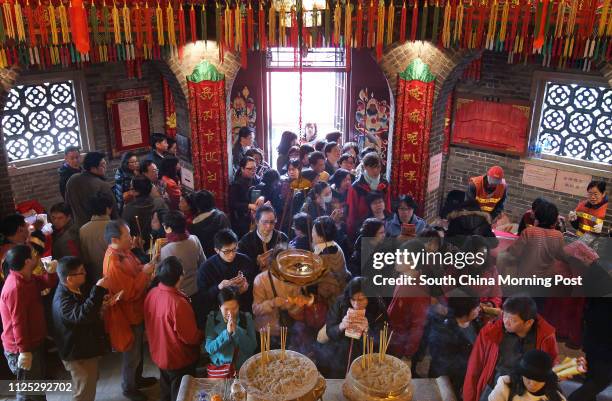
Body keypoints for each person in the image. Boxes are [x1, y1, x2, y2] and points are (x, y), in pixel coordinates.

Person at [463, 296, 559, 401]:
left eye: (512, 320)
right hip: (493, 386)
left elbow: (551, 365)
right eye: (504, 316)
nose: (505, 322)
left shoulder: (546, 336)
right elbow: (474, 367)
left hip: (526, 392)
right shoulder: (490, 332)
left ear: (529, 323)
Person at [102, 220, 156, 401]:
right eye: (127, 235)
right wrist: (145, 273)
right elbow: (129, 293)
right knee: (131, 354)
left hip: (137, 311)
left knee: (138, 349)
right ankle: (129, 387)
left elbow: (136, 269)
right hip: (128, 315)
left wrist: (144, 269)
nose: (131, 238)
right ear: (115, 239)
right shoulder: (113, 262)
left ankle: (137, 379)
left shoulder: (124, 252)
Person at [0, 245, 58, 401]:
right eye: (33, 254)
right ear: (27, 261)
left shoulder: (27, 277)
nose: (36, 256)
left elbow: (46, 283)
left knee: (36, 390)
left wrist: (50, 272)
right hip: (22, 347)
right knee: (28, 394)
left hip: (33, 342)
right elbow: (18, 322)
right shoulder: (15, 287)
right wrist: (24, 351)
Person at [144, 257, 203, 401]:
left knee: (166, 388)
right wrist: (204, 335)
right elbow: (190, 337)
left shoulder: (152, 293)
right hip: (179, 358)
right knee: (181, 393)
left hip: (159, 353)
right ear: (180, 276)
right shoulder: (177, 303)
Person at [52, 256, 108, 401]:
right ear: (69, 278)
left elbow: (84, 311)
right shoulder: (63, 301)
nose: (85, 274)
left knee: (89, 386)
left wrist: (100, 306)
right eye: (81, 272)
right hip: (78, 355)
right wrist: (98, 290)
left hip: (84, 349)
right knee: (83, 393)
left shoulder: (73, 289)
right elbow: (82, 315)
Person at [323, 277, 388, 378]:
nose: (356, 304)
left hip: (365, 361)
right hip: (340, 357)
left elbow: (382, 342)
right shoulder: (341, 303)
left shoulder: (378, 309)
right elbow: (330, 332)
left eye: (361, 299)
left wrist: (367, 330)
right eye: (353, 299)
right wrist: (341, 326)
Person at [196, 229, 258, 327]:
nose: (232, 254)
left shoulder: (245, 261)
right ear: (217, 250)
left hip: (244, 310)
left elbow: (254, 283)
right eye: (226, 251)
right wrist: (219, 287)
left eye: (234, 249)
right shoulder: (206, 268)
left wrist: (247, 287)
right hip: (219, 315)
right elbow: (203, 298)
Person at [428, 295, 483, 397]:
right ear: (465, 311)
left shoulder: (475, 322)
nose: (479, 309)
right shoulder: (444, 331)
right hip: (447, 380)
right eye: (476, 308)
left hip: (463, 378)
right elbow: (442, 364)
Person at [504, 202, 565, 289]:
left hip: (525, 280)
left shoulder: (530, 232)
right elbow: (561, 256)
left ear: (538, 217)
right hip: (546, 283)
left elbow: (513, 252)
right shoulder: (558, 235)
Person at [205, 286, 257, 375]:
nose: (230, 313)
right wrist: (226, 333)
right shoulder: (213, 318)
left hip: (243, 369)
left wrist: (236, 329)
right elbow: (209, 348)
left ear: (239, 306)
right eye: (226, 309)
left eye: (234, 308)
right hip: (221, 371)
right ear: (219, 307)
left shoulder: (246, 318)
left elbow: (252, 347)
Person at [65, 151, 118, 228]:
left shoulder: (72, 179)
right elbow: (113, 211)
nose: (105, 167)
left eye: (105, 163)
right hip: (100, 228)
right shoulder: (102, 185)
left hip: (78, 226)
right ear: (93, 168)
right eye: (102, 165)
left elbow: (67, 203)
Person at [159, 211, 205, 298]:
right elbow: (203, 263)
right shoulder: (194, 239)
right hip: (196, 287)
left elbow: (163, 276)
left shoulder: (165, 250)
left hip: (178, 292)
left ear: (169, 229)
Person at [488, 350, 565, 401]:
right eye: (528, 377)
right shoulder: (506, 386)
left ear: (547, 380)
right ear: (521, 375)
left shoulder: (556, 397)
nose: (532, 383)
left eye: (539, 380)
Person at [347, 152, 391, 235]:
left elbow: (387, 207)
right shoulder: (356, 187)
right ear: (365, 167)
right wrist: (351, 232)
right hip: (363, 227)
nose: (376, 171)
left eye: (378, 167)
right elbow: (352, 213)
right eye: (372, 167)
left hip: (381, 227)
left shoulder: (384, 184)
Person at [122, 176, 168, 252]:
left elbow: (125, 231)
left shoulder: (128, 209)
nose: (130, 190)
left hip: (140, 248)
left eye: (131, 188)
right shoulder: (160, 202)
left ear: (136, 192)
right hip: (160, 245)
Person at [312, 216, 349, 306]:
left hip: (331, 304)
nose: (312, 235)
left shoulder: (323, 257)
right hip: (342, 296)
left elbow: (326, 289)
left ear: (321, 237)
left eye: (313, 232)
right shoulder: (334, 245)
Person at [238, 205, 288, 271]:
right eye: (265, 222)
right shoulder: (245, 242)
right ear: (257, 221)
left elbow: (287, 263)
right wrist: (256, 262)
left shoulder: (282, 238)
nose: (269, 226)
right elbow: (241, 268)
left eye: (272, 222)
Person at [79, 192, 114, 286]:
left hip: (95, 278)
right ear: (108, 209)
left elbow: (84, 257)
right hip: (115, 275)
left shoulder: (83, 230)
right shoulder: (115, 227)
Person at [190, 190, 231, 257]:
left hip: (207, 259)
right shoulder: (221, 216)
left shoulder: (194, 225)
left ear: (197, 206)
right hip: (225, 255)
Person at [229, 156, 260, 238]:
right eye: (249, 169)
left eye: (254, 168)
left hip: (256, 218)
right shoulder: (236, 184)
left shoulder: (256, 181)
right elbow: (233, 204)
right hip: (241, 221)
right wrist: (249, 206)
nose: (253, 171)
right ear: (242, 169)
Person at [278, 159, 312, 234]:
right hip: (286, 218)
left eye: (293, 169)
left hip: (301, 217)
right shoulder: (284, 184)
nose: (291, 172)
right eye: (289, 169)